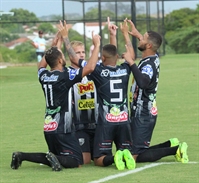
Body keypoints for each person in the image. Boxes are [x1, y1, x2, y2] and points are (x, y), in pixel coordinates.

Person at [10, 20, 101, 171]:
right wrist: (96, 45)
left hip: (49, 126)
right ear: (60, 60)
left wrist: (53, 47)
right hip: (63, 127)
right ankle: (54, 159)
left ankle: (22, 156)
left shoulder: (44, 75)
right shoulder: (66, 76)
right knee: (75, 161)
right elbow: (90, 67)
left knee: (53, 155)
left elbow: (41, 65)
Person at [62, 17, 136, 170]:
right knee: (85, 159)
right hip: (89, 122)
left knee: (97, 158)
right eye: (79, 52)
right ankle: (121, 155)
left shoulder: (93, 69)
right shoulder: (120, 69)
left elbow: (107, 56)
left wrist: (65, 37)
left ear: (102, 58)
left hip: (101, 121)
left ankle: (116, 157)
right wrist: (115, 36)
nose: (81, 55)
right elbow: (113, 55)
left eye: (83, 52)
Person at [120, 18, 189, 163]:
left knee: (136, 157)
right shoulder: (153, 56)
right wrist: (138, 35)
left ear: (149, 45)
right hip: (144, 111)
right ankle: (170, 144)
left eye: (143, 38)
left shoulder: (149, 65)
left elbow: (143, 82)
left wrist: (131, 62)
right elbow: (149, 46)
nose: (140, 39)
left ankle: (176, 149)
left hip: (143, 113)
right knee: (137, 150)